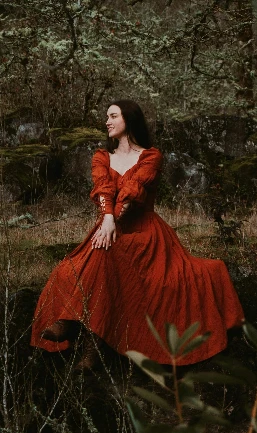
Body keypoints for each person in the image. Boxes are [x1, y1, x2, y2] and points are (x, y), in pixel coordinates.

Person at [30, 99, 244, 369]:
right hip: (108, 229)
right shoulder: (101, 156)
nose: (107, 121)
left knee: (108, 256)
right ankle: (76, 326)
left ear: (129, 119)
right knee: (66, 269)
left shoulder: (151, 156)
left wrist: (113, 220)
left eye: (113, 116)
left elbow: (132, 193)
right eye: (106, 117)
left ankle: (85, 338)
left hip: (144, 233)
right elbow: (103, 187)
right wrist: (108, 220)